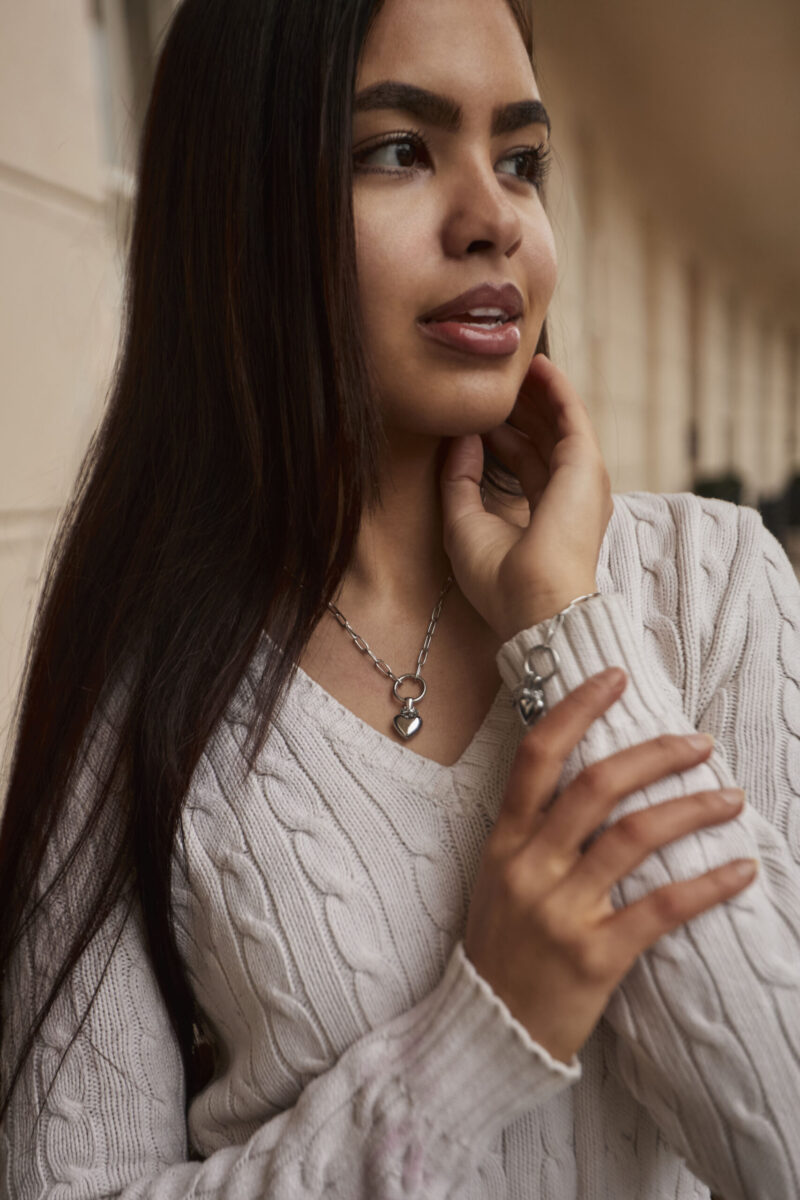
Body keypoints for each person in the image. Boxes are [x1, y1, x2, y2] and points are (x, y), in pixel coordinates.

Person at [1, 0, 798, 1195]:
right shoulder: (146, 695)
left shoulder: (714, 582)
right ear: (245, 213)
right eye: (396, 150)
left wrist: (566, 630)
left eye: (520, 160)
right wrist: (474, 1044)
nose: (491, 221)